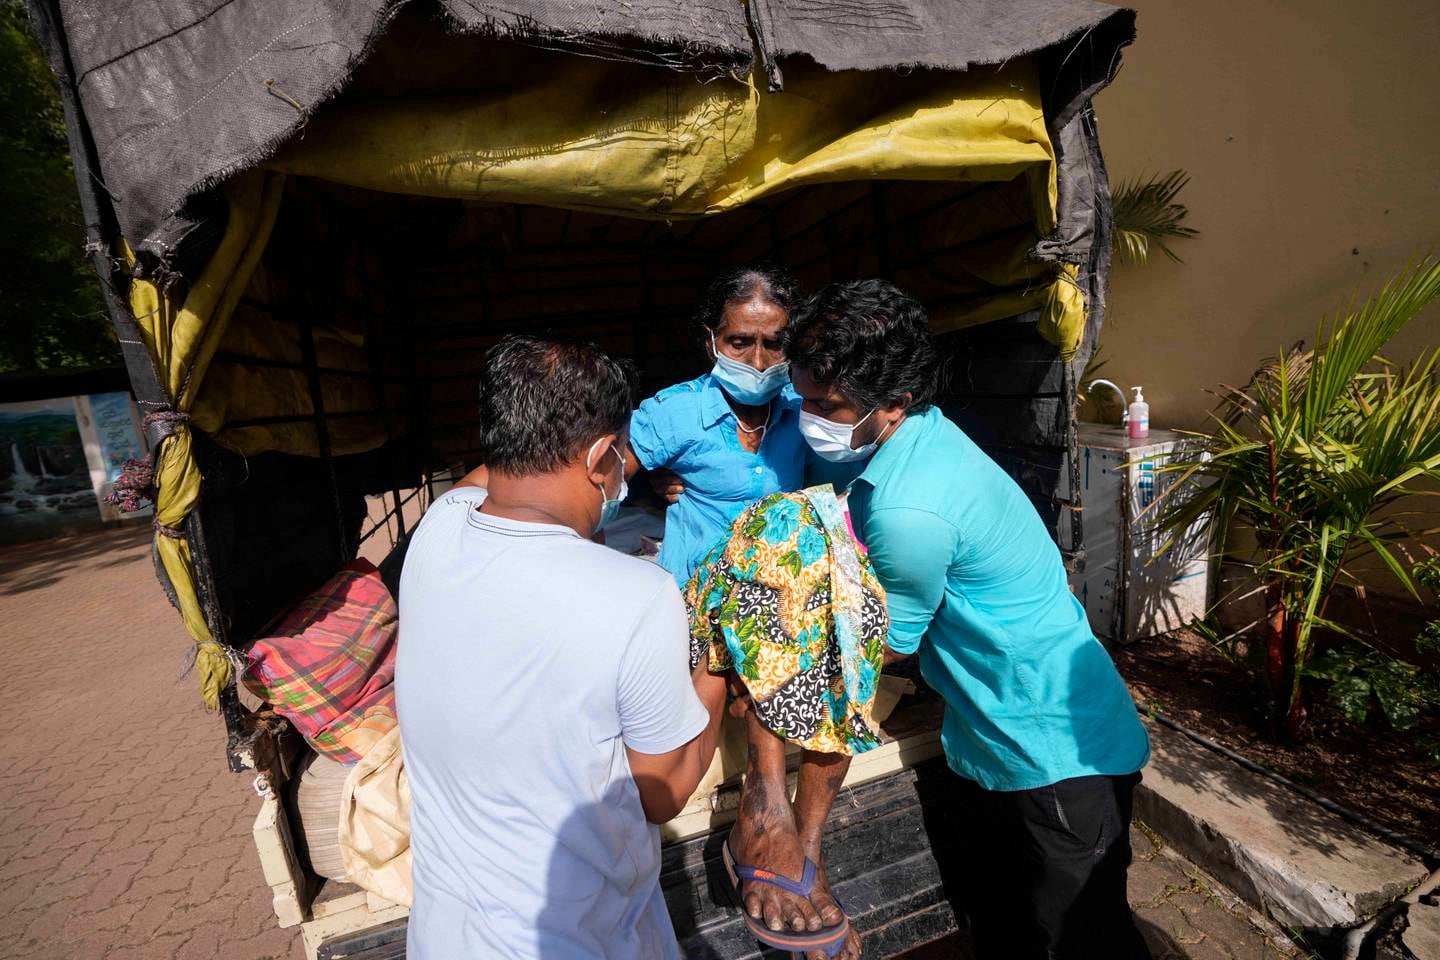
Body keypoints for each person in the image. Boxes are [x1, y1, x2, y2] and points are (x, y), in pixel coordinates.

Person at [785, 279, 1153, 960]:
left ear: (894, 400)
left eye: (825, 405)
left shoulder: (908, 509)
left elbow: (880, 653)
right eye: (804, 397)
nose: (810, 417)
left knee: (1082, 940)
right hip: (991, 737)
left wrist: (781, 657)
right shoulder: (921, 436)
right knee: (1005, 925)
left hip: (1051, 753)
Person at [395, 335, 727, 959]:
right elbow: (663, 789)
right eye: (623, 452)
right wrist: (719, 659)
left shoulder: (435, 531)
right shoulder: (638, 597)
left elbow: (485, 481)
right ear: (602, 455)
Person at [625, 264, 809, 587]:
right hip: (696, 606)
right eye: (739, 342)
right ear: (711, 340)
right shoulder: (677, 411)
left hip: (780, 607)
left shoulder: (804, 409)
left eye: (774, 344)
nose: (758, 362)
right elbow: (601, 480)